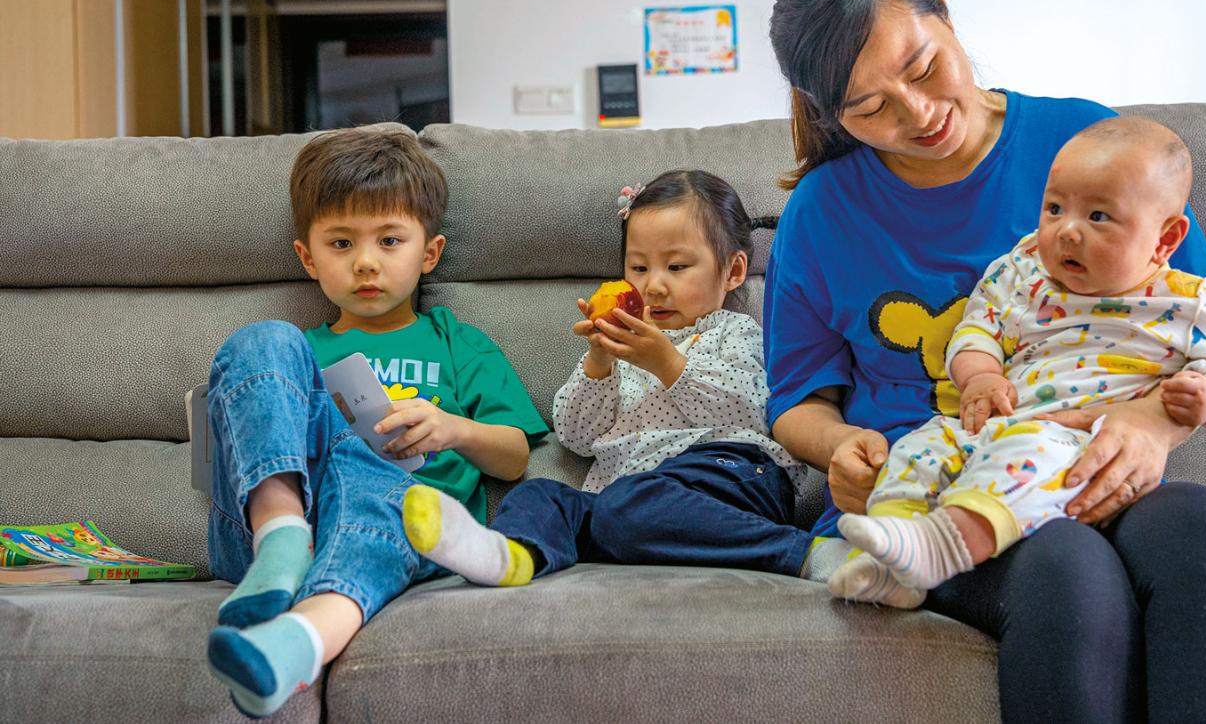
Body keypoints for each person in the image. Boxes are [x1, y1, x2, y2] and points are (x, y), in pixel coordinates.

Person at [764, 0, 1206, 722]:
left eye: (923, 67)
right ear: (831, 112)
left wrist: (1150, 426)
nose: (920, 112)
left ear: (942, 6)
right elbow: (796, 401)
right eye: (871, 108)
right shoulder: (821, 212)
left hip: (1094, 467)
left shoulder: (1089, 149)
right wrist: (842, 448)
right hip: (939, 492)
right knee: (1068, 571)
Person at [829, 116, 1206, 608]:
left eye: (1098, 217)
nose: (1067, 231)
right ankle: (891, 560)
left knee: (1030, 452)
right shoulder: (1023, 268)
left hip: (1084, 445)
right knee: (922, 447)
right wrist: (980, 375)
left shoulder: (1185, 302)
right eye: (1055, 208)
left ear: (1165, 240)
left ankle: (940, 548)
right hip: (996, 423)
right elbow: (978, 326)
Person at [203, 127, 548, 718]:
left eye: (390, 241)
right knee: (262, 340)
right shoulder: (302, 351)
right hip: (267, 532)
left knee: (375, 489)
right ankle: (281, 536)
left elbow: (515, 457)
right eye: (341, 243)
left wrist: (453, 428)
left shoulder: (456, 342)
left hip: (399, 526)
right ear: (308, 258)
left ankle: (290, 646)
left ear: (429, 254)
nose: (365, 262)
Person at [402, 170, 842, 585]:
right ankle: (513, 555)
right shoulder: (623, 347)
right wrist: (599, 362)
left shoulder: (736, 331)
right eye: (639, 268)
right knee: (540, 497)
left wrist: (666, 361)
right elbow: (576, 437)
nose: (654, 286)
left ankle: (803, 553)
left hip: (729, 473)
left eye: (676, 267)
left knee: (627, 507)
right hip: (625, 499)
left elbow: (749, 408)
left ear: (734, 271)